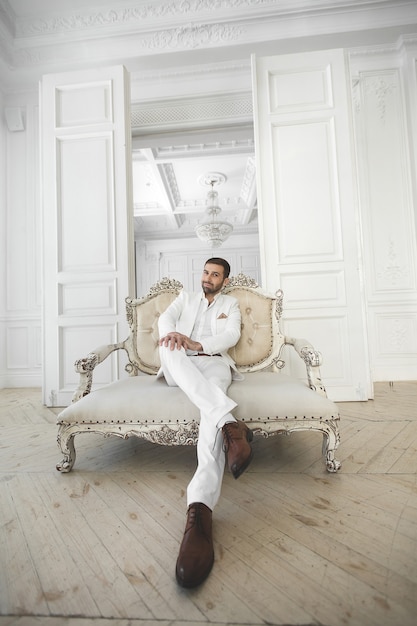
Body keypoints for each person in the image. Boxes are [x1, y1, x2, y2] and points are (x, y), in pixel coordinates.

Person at [157, 257, 253, 588]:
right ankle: (231, 425)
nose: (208, 278)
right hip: (180, 363)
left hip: (212, 362)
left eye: (215, 275)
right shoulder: (185, 297)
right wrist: (175, 336)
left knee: (209, 412)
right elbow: (166, 319)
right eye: (206, 272)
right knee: (168, 346)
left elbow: (232, 333)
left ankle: (199, 510)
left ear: (224, 280)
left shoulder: (231, 303)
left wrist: (200, 344)